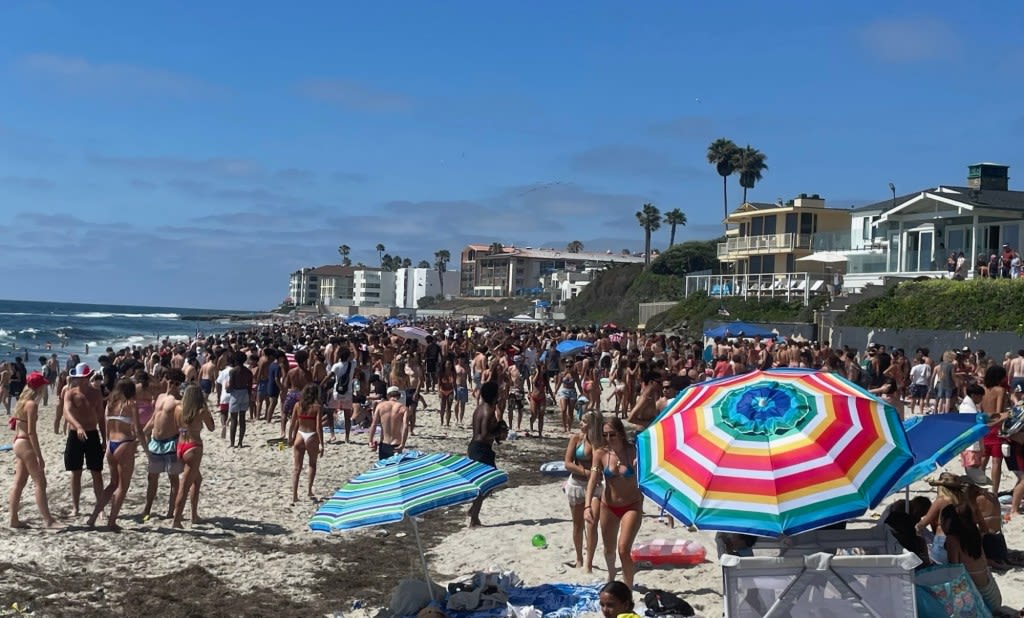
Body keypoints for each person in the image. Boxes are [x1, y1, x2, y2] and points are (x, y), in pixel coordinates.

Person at [585, 416, 643, 589]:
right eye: (605, 435)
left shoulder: (634, 451)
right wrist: (587, 506)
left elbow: (649, 475)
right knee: (609, 550)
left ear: (621, 433)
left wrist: (639, 466)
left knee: (623, 549)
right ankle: (611, 575)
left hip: (631, 505)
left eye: (612, 435)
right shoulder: (601, 454)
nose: (609, 439)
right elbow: (593, 480)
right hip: (608, 506)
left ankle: (628, 587)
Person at [87, 379, 144, 530]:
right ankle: (111, 521)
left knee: (112, 484)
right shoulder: (130, 405)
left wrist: (106, 445)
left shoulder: (110, 405)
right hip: (125, 444)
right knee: (122, 487)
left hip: (111, 446)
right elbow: (138, 430)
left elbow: (106, 430)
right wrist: (145, 448)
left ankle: (93, 517)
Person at [7, 371, 59, 529]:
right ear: (39, 387)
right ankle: (48, 520)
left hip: (18, 441)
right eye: (43, 385)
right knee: (40, 482)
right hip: (26, 442)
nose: (45, 387)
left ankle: (13, 519)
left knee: (19, 482)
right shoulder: (32, 404)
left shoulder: (22, 401)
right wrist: (39, 455)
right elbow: (31, 432)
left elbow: (17, 426)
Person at [61, 362, 105, 517]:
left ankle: (100, 509)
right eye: (79, 378)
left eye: (84, 377)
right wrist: (78, 426)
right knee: (76, 472)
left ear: (88, 377)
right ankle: (76, 507)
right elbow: (67, 412)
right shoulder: (70, 393)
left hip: (92, 434)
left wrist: (104, 438)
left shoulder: (96, 393)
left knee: (96, 472)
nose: (82, 380)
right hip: (75, 435)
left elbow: (101, 417)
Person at [940, 503, 1002, 612]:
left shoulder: (952, 539)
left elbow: (953, 572)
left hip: (982, 603)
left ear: (947, 521)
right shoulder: (974, 532)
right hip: (994, 597)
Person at [564, 412, 604, 572]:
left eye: (584, 421)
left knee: (592, 523)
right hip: (577, 483)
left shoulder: (600, 442)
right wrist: (586, 472)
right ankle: (579, 557)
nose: (581, 423)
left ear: (593, 424)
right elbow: (567, 463)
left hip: (594, 487)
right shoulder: (576, 438)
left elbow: (599, 462)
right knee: (577, 524)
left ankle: (589, 561)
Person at [142, 368, 184, 520]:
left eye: (177, 383)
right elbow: (153, 419)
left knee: (173, 478)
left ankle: (171, 511)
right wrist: (142, 434)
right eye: (171, 382)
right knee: (152, 477)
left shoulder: (179, 401)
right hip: (155, 442)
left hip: (171, 443)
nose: (173, 385)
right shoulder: (159, 397)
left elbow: (183, 426)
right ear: (166, 380)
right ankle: (147, 508)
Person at [172, 385, 215, 528]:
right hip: (193, 446)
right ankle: (177, 520)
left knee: (197, 479)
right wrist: (208, 413)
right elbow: (211, 427)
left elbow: (175, 426)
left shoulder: (178, 409)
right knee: (184, 486)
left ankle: (194, 515)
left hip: (180, 445)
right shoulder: (201, 411)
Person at [467, 381, 508, 527]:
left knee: (485, 483)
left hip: (476, 448)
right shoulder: (488, 410)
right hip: (481, 449)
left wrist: (497, 430)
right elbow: (484, 435)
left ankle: (474, 513)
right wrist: (499, 432)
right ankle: (473, 516)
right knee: (488, 483)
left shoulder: (479, 408)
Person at [289, 383, 324, 504]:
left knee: (296, 468)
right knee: (312, 464)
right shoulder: (317, 407)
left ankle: (294, 495)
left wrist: (290, 437)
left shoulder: (298, 405)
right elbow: (319, 426)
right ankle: (309, 490)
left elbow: (293, 423)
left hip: (300, 435)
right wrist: (322, 443)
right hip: (311, 435)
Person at [368, 386, 409, 461]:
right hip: (397, 444)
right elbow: (405, 427)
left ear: (387, 396)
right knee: (395, 469)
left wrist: (370, 441)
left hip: (384, 444)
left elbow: (373, 424)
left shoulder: (380, 406)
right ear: (399, 396)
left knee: (384, 469)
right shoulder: (403, 408)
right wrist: (403, 444)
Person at [226, 351, 252, 448]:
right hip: (245, 392)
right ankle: (240, 442)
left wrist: (227, 388)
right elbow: (249, 386)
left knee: (233, 420)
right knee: (242, 419)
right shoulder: (248, 371)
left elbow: (231, 386)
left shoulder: (233, 371)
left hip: (236, 394)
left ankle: (232, 443)